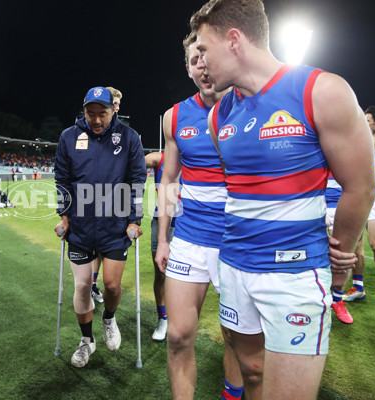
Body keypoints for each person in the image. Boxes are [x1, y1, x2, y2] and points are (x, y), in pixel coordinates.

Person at [190, 1, 375, 399]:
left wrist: (341, 256)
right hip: (235, 267)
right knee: (251, 372)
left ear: (234, 40)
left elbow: (361, 186)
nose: (200, 63)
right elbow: (240, 191)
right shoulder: (219, 114)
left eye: (204, 50)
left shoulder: (321, 90)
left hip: (295, 276)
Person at [155, 32, 242, 400]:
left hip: (238, 243)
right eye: (194, 61)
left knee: (237, 339)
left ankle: (232, 394)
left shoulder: (250, 106)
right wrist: (163, 238)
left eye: (207, 57)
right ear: (188, 68)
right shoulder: (174, 116)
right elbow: (169, 180)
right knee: (178, 336)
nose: (202, 67)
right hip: (189, 239)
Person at [54, 86, 146, 368]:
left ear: (112, 110)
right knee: (82, 286)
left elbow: (137, 181)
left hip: (115, 226)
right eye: (90, 113)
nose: (95, 120)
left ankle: (108, 317)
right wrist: (64, 216)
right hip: (80, 227)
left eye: (101, 114)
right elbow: (62, 178)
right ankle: (86, 340)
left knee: (111, 285)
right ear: (83, 110)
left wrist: (134, 220)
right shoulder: (69, 137)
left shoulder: (129, 138)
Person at [343, 105, 375, 305]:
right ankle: (358, 287)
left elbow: (372, 144)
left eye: (367, 120)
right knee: (355, 247)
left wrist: (350, 128)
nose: (364, 124)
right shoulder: (362, 139)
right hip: (356, 192)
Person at [89, 86, 125, 305]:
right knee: (95, 253)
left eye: (119, 104)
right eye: (114, 102)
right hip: (91, 203)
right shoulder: (89, 130)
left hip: (115, 207)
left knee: (105, 255)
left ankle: (97, 291)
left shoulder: (123, 133)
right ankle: (92, 286)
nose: (117, 107)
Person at [145, 151, 176, 342]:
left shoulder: (198, 154)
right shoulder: (160, 157)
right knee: (161, 273)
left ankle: (179, 317)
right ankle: (162, 319)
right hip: (161, 222)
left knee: (186, 276)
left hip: (188, 223)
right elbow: (134, 161)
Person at [325, 174, 354, 323]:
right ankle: (323, 299)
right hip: (317, 203)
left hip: (344, 205)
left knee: (345, 253)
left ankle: (337, 300)